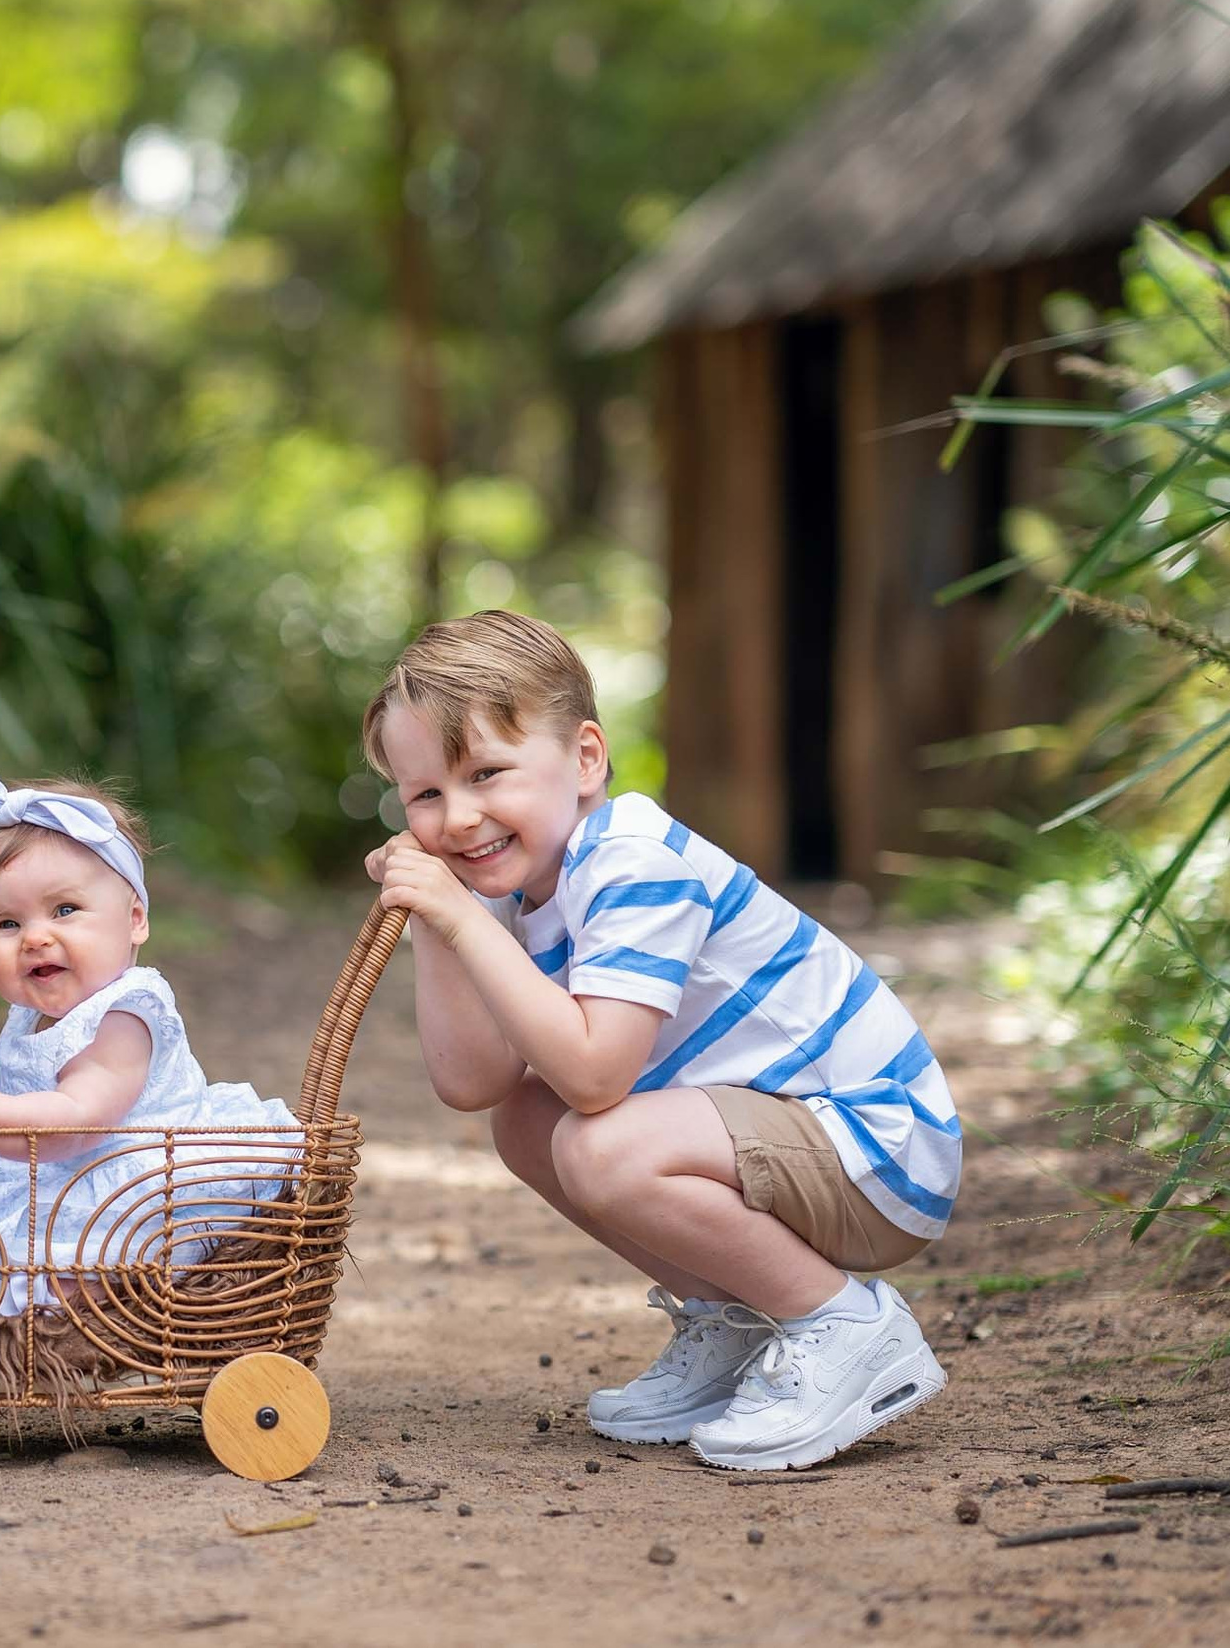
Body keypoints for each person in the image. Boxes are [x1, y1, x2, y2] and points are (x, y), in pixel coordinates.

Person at [362, 611, 958, 1471]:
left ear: (586, 759)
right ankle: (742, 1323)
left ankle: (843, 1326)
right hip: (789, 1144)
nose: (458, 817)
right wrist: (434, 919)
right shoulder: (519, 884)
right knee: (526, 1121)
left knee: (602, 1143)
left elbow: (599, 1077)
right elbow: (475, 1079)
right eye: (425, 795)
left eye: (488, 773)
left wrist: (461, 914)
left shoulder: (634, 862)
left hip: (877, 1146)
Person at [0, 775, 302, 1314]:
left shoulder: (125, 1012)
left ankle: (91, 1313)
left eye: (64, 911)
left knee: (73, 1263)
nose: (35, 937)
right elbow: (27, 1098)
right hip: (56, 1179)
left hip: (139, 1188)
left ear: (134, 920)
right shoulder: (31, 1015)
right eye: (7, 923)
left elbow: (75, 1119)